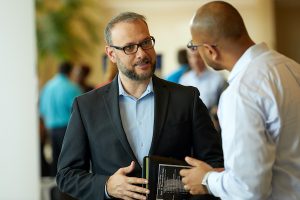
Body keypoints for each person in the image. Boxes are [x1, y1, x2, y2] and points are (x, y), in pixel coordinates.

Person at [56, 12, 223, 200]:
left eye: (146, 43)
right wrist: (106, 186)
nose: (142, 54)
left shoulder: (187, 98)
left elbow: (214, 163)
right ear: (111, 54)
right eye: (129, 48)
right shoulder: (86, 106)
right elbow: (66, 175)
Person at [180, 1, 300, 200]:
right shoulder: (292, 67)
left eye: (195, 46)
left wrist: (207, 180)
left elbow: (247, 190)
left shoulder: (240, 93)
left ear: (210, 50)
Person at [39, 61, 82, 176]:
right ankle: (67, 190)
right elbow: (80, 110)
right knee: (69, 162)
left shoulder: (47, 87)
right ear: (70, 71)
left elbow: (42, 110)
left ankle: (56, 188)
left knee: (55, 160)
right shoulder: (71, 87)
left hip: (51, 128)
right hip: (67, 129)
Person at [179, 48, 227, 113]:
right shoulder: (184, 79)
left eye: (198, 56)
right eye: (191, 56)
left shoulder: (218, 79)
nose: (195, 60)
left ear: (204, 56)